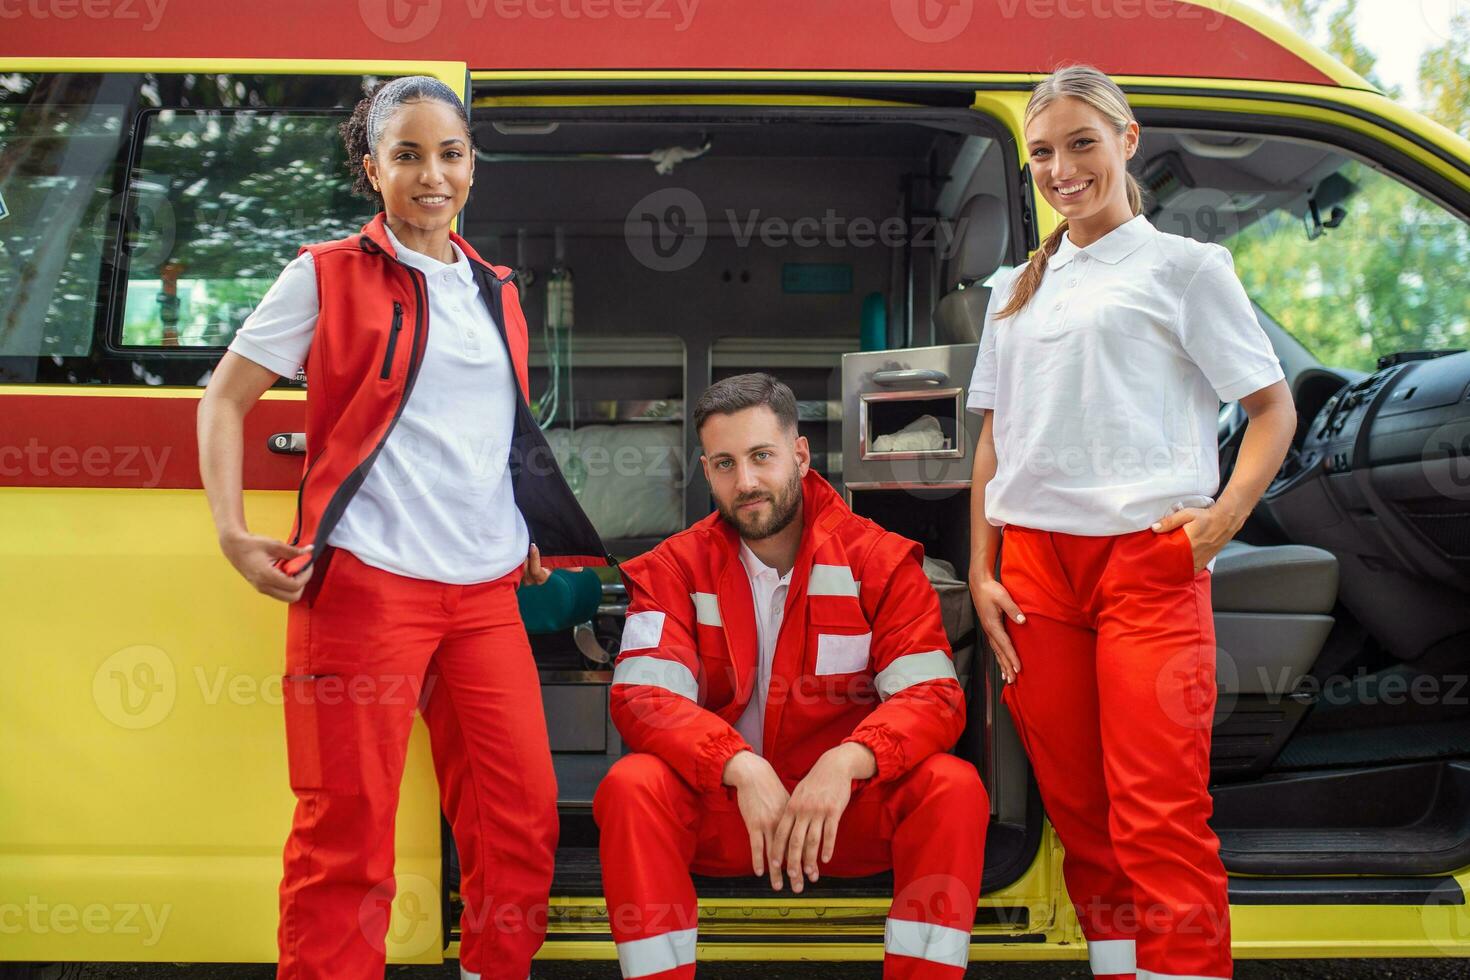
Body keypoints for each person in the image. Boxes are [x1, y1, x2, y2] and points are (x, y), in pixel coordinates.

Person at [197, 76, 606, 980]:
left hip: (485, 594)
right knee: (347, 838)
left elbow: (486, 433)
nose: (432, 175)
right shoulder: (325, 273)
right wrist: (233, 532)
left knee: (520, 822)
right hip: (365, 588)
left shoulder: (497, 289)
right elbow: (224, 400)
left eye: (450, 154)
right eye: (408, 155)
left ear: (473, 167)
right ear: (371, 169)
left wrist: (521, 524)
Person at [966, 65, 1296, 980]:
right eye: (1042, 152)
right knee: (1082, 814)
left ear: (1127, 139)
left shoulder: (1187, 269)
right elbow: (995, 438)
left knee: (1158, 815)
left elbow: (1273, 410)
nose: (1062, 168)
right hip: (1033, 569)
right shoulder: (1013, 290)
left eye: (1081, 143)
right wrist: (984, 570)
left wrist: (1221, 523)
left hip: (1147, 563)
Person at [594, 373, 988, 980]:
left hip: (840, 816)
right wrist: (739, 765)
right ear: (707, 470)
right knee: (631, 786)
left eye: (761, 457)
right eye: (725, 464)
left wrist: (849, 760)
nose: (745, 482)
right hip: (731, 816)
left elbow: (932, 697)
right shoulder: (676, 566)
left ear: (799, 455)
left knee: (953, 788)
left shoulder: (878, 560)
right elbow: (644, 700)